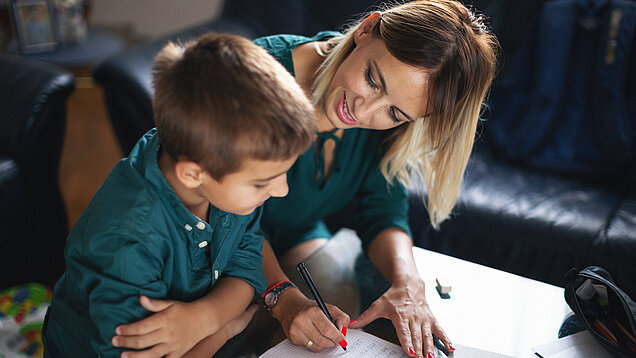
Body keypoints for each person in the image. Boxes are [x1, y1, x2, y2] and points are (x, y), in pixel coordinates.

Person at [41, 32, 315, 357]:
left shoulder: (220, 172)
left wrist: (207, 317)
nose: (281, 190)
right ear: (192, 173)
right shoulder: (125, 242)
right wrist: (226, 326)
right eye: (263, 182)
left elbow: (249, 261)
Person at [254, 1, 499, 358]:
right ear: (366, 29)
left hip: (294, 234)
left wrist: (409, 284)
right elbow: (225, 220)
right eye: (372, 79)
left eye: (395, 113)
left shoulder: (387, 122)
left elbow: (383, 212)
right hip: (209, 245)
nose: (362, 112)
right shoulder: (256, 80)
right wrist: (283, 296)